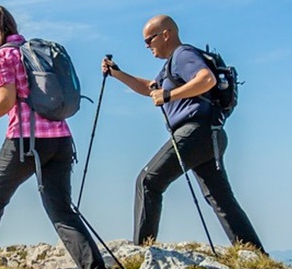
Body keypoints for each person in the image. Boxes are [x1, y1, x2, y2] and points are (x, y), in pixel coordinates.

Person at [0, 5, 115, 269]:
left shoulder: (2, 57)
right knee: (61, 209)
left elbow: (6, 102)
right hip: (60, 139)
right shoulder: (33, 51)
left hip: (26, 141)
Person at [101, 15, 264, 251]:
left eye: (149, 40)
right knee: (221, 199)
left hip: (195, 132)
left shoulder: (183, 55)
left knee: (148, 181)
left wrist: (169, 96)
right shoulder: (170, 66)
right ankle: (256, 253)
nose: (147, 46)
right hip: (210, 134)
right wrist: (117, 73)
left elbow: (205, 79)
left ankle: (144, 250)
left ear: (166, 34)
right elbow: (150, 88)